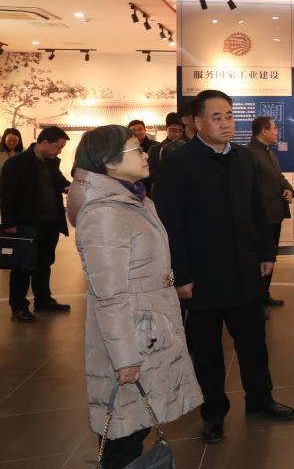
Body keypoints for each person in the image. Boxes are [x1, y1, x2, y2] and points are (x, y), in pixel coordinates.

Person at [155, 89, 294, 444]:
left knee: (254, 343)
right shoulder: (178, 162)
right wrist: (181, 275)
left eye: (229, 116)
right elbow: (171, 224)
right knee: (207, 351)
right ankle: (213, 413)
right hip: (202, 275)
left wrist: (265, 253)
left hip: (244, 269)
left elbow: (257, 209)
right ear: (197, 122)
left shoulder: (243, 158)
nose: (225, 123)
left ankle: (260, 399)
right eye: (216, 117)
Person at [67, 125, 203, 469]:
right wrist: (124, 357)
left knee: (136, 424)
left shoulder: (134, 201)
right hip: (131, 339)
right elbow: (108, 295)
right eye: (136, 150)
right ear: (110, 162)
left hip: (147, 330)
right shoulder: (105, 214)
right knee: (123, 431)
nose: (145, 155)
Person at [1, 126, 72, 322]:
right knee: (23, 266)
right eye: (58, 147)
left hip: (50, 223)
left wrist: (76, 188)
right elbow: (7, 195)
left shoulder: (51, 164)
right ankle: (18, 307)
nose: (59, 152)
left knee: (44, 263)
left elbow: (62, 183)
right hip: (26, 223)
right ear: (45, 143)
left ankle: (43, 300)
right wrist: (9, 223)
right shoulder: (16, 164)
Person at [247, 115, 294, 308]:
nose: (277, 132)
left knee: (270, 257)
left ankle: (263, 295)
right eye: (274, 129)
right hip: (262, 218)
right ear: (263, 131)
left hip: (274, 215)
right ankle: (255, 300)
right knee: (260, 259)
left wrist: (288, 189)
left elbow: (278, 177)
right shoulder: (250, 154)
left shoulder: (269, 153)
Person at [145, 113, 184, 198]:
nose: (177, 134)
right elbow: (149, 173)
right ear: (167, 129)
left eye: (180, 131)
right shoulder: (155, 149)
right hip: (163, 193)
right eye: (173, 130)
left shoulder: (188, 147)